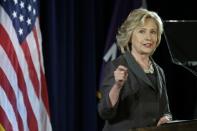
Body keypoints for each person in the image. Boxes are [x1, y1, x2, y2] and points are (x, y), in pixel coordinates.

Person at [98, 8, 172, 131]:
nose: (148, 37)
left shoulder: (159, 71)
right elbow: (105, 112)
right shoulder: (116, 66)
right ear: (130, 35)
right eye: (142, 31)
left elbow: (165, 111)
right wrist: (117, 86)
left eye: (153, 32)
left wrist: (166, 118)